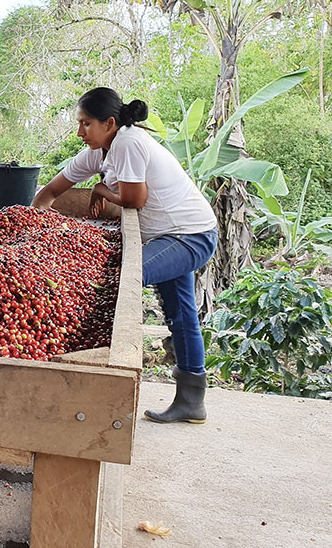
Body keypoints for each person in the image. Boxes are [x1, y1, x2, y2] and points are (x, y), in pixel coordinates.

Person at [32, 87, 217, 423]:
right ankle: (192, 401)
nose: (80, 132)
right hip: (167, 236)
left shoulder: (128, 141)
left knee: (123, 281)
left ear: (110, 122)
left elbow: (134, 200)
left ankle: (94, 369)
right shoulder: (98, 153)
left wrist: (101, 189)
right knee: (181, 314)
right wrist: (34, 232)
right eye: (79, 124)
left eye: (86, 123)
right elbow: (49, 193)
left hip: (191, 235)